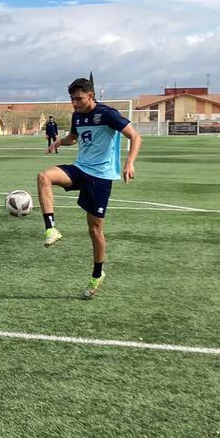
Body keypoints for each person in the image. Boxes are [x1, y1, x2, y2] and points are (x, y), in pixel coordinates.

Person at [36, 77, 142, 299]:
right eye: (72, 99)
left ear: (91, 96)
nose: (74, 103)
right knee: (44, 177)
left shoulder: (107, 114)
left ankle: (97, 274)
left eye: (78, 99)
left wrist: (129, 162)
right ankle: (51, 228)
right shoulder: (77, 116)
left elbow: (135, 136)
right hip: (80, 169)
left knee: (94, 231)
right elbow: (74, 138)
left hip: (101, 177)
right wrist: (59, 142)